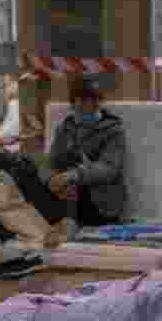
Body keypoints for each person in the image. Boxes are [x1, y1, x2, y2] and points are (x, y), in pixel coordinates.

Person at [45, 77, 127, 226]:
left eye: (94, 99)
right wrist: (53, 181)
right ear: (73, 102)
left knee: (73, 188)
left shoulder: (113, 131)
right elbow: (51, 163)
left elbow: (108, 169)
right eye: (83, 100)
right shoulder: (64, 129)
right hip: (67, 194)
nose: (90, 105)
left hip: (100, 200)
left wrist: (73, 175)